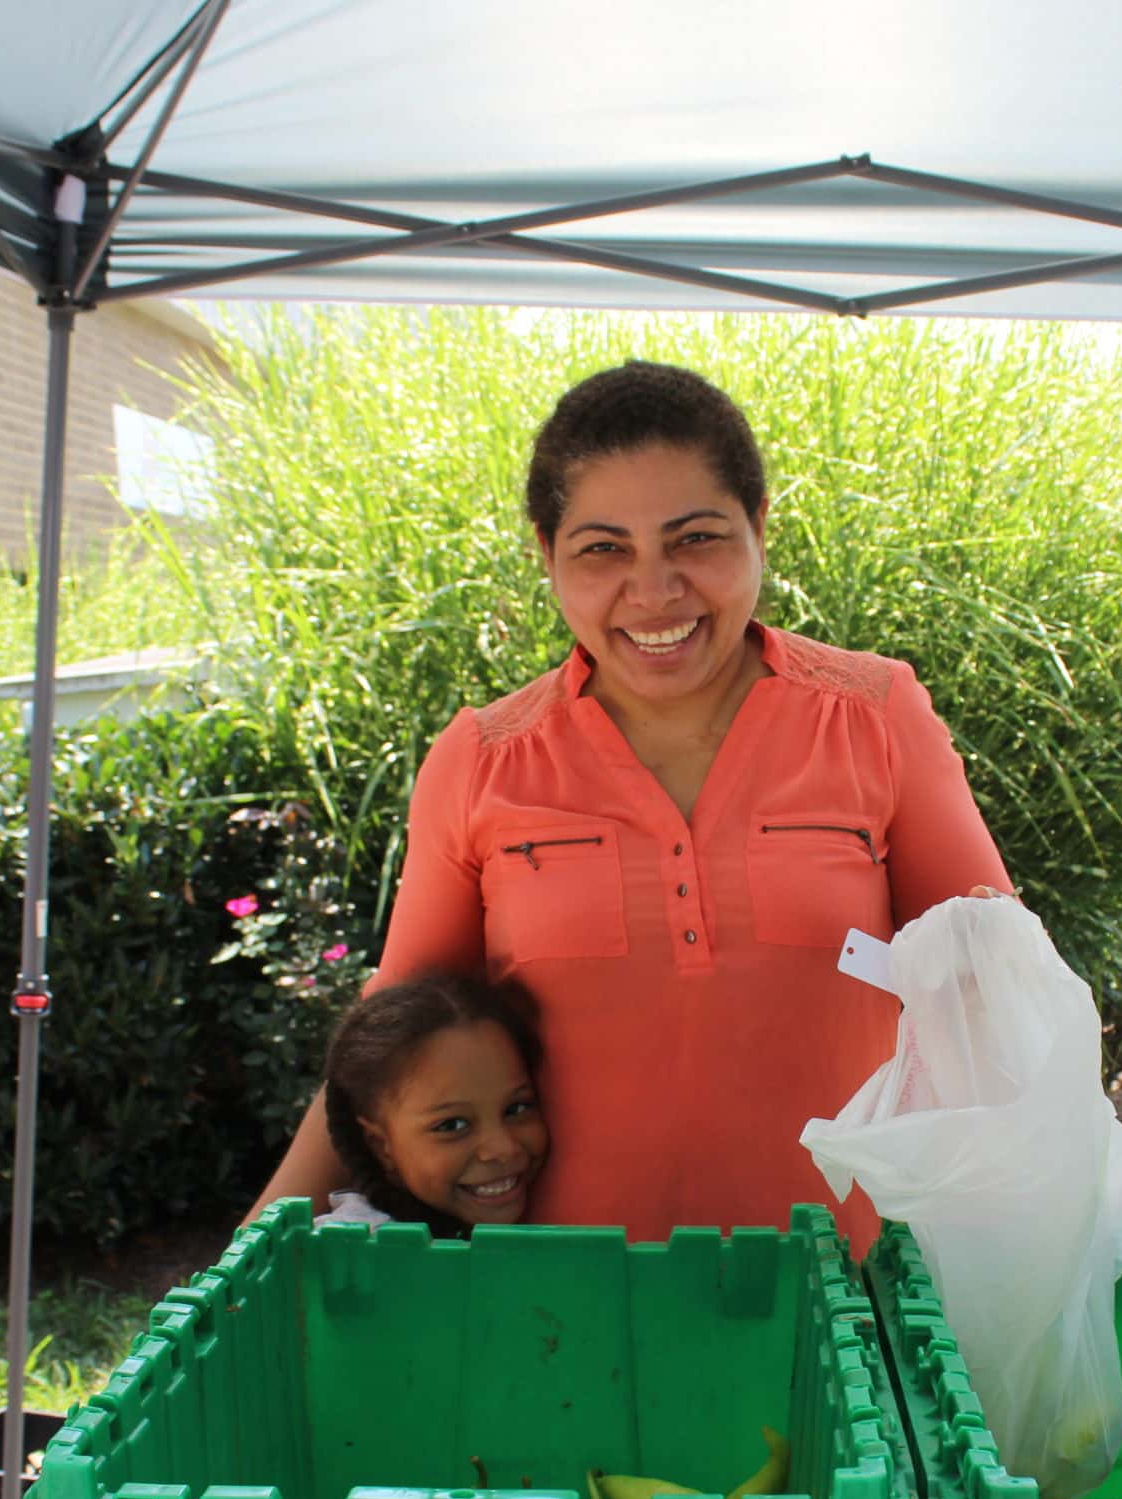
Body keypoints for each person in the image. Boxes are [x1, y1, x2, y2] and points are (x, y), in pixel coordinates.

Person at [255, 358, 1011, 1248]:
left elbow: (1000, 992)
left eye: (696, 539)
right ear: (548, 555)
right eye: (603, 549)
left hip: (838, 1307)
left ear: (759, 528)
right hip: (557, 1311)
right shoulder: (482, 761)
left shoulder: (875, 717)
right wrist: (245, 1258)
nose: (654, 591)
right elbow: (385, 1054)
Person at [313, 972, 550, 1238]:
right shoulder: (360, 1252)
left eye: (516, 1109)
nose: (503, 1148)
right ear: (382, 1147)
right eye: (453, 1125)